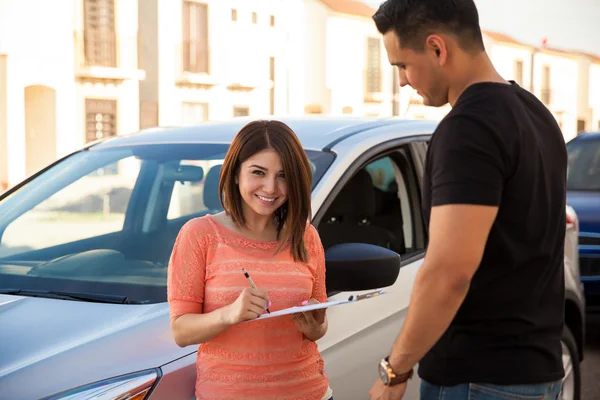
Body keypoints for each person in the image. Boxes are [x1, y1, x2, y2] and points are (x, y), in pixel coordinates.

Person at [368, 1, 567, 399]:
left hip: (479, 379)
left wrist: (395, 371)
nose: (403, 82)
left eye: (402, 66)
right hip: (534, 372)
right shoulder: (536, 114)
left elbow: (449, 273)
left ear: (438, 49)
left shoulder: (468, 128)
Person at [167, 120, 333, 400]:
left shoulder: (306, 236)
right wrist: (229, 315)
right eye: (259, 172)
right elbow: (181, 332)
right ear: (235, 174)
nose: (271, 187)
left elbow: (318, 326)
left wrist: (315, 326)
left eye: (283, 176)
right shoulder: (200, 235)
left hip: (309, 393)